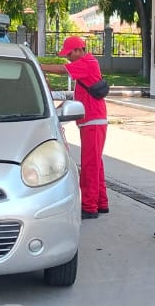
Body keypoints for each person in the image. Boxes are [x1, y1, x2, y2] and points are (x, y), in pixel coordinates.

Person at [40, 35, 109, 219]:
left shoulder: (87, 63)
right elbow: (78, 96)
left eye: (69, 54)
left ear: (79, 50)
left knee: (90, 165)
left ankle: (89, 207)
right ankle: (101, 202)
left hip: (93, 120)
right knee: (96, 163)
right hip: (93, 120)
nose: (68, 58)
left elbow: (62, 70)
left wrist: (39, 66)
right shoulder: (88, 63)